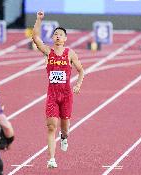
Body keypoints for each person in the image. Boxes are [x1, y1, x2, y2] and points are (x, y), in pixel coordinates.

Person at [32, 11, 84, 168]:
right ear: (53, 38)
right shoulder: (48, 52)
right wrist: (38, 20)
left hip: (66, 95)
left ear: (65, 39)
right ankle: (52, 159)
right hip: (53, 95)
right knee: (51, 126)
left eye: (61, 34)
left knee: (65, 126)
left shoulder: (70, 54)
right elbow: (35, 38)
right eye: (55, 34)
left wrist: (78, 85)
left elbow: (81, 70)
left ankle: (64, 137)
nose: (58, 36)